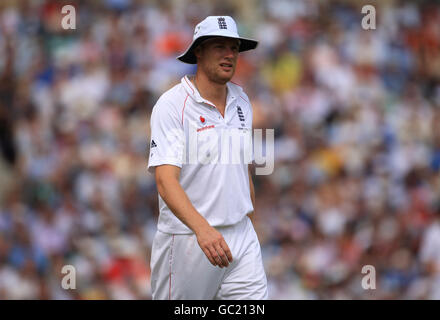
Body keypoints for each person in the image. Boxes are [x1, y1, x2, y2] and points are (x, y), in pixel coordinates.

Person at [147, 16, 268, 300]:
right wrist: (203, 230)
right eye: (219, 46)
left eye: (234, 48)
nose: (229, 55)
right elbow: (165, 181)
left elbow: (241, 169)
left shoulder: (242, 100)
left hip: (240, 236)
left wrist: (249, 221)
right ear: (198, 52)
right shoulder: (172, 104)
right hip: (189, 239)